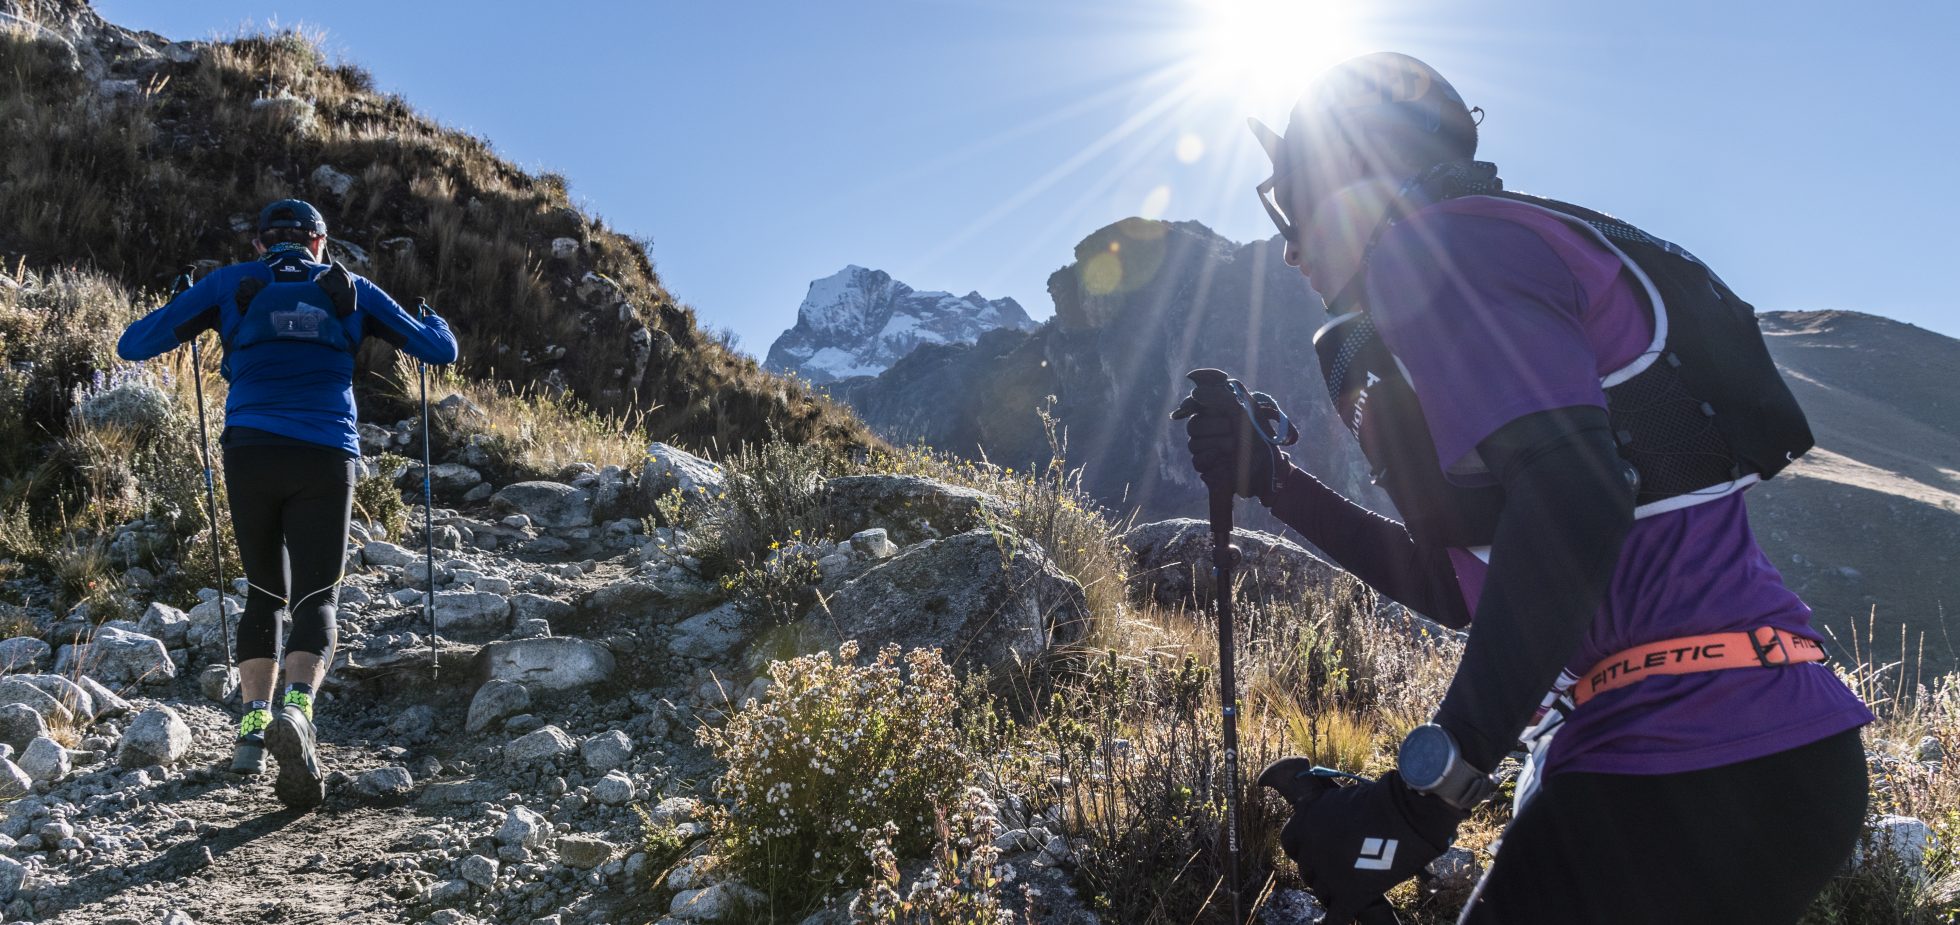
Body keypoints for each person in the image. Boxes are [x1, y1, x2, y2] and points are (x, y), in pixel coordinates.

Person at [1179, 53, 1871, 923]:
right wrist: (1273, 482)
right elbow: (1461, 581)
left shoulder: (1446, 248)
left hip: (1687, 749)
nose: (1287, 245)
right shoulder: (1477, 261)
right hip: (1733, 740)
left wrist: (1422, 799)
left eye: (1291, 202)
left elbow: (1575, 502)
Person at [119, 199, 458, 808]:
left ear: (261, 245)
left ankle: (251, 730)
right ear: (319, 243)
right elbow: (439, 354)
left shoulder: (231, 284)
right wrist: (435, 319)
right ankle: (297, 714)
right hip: (325, 453)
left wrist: (180, 301)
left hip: (250, 451)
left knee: (263, 592)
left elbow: (134, 345)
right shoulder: (351, 289)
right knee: (317, 596)